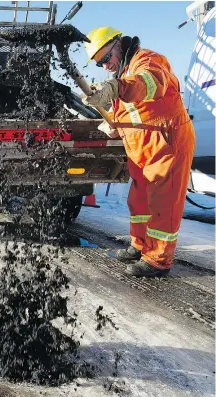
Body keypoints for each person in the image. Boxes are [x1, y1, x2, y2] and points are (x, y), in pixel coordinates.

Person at [82, 27, 196, 277]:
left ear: (118, 46)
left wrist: (114, 87)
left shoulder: (147, 61)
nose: (105, 66)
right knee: (139, 200)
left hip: (166, 141)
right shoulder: (123, 74)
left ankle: (158, 258)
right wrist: (111, 123)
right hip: (142, 147)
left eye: (106, 58)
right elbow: (127, 114)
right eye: (99, 63)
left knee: (163, 201)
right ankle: (140, 245)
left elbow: (149, 84)